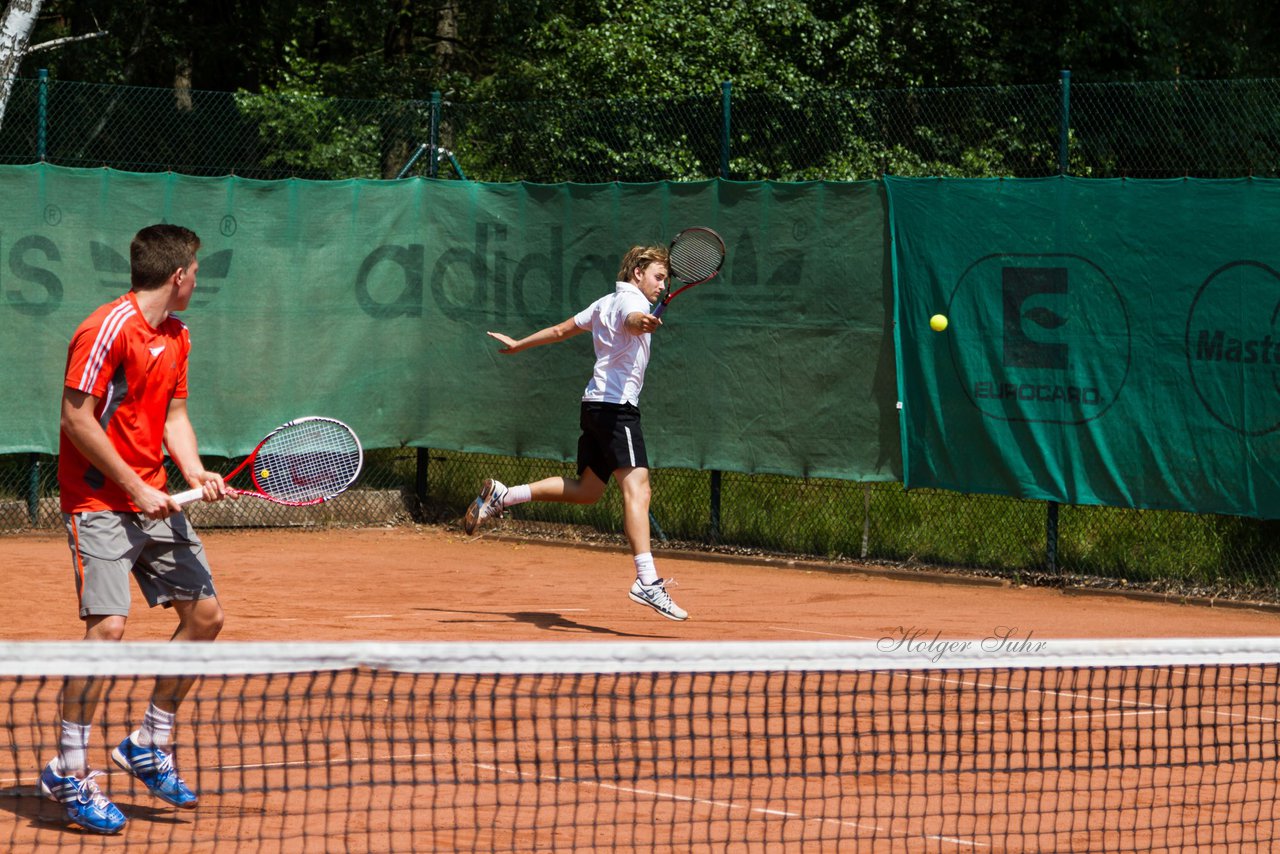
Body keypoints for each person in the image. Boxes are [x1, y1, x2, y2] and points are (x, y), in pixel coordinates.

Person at [39, 224, 233, 834]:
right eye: (196, 270)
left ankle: (149, 741)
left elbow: (174, 413)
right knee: (109, 630)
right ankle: (71, 769)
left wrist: (196, 472)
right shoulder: (105, 329)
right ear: (179, 276)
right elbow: (76, 420)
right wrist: (134, 487)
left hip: (154, 499)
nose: (198, 279)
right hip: (100, 503)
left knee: (206, 618)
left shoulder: (177, 336)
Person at [463, 244, 688, 622]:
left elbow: (560, 329)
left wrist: (520, 344)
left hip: (596, 407)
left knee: (587, 490)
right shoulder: (628, 302)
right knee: (639, 488)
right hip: (616, 410)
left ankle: (505, 495)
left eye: (665, 280)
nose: (662, 286)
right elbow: (631, 319)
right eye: (658, 277)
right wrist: (641, 322)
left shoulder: (603, 302)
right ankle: (647, 581)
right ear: (637, 273)